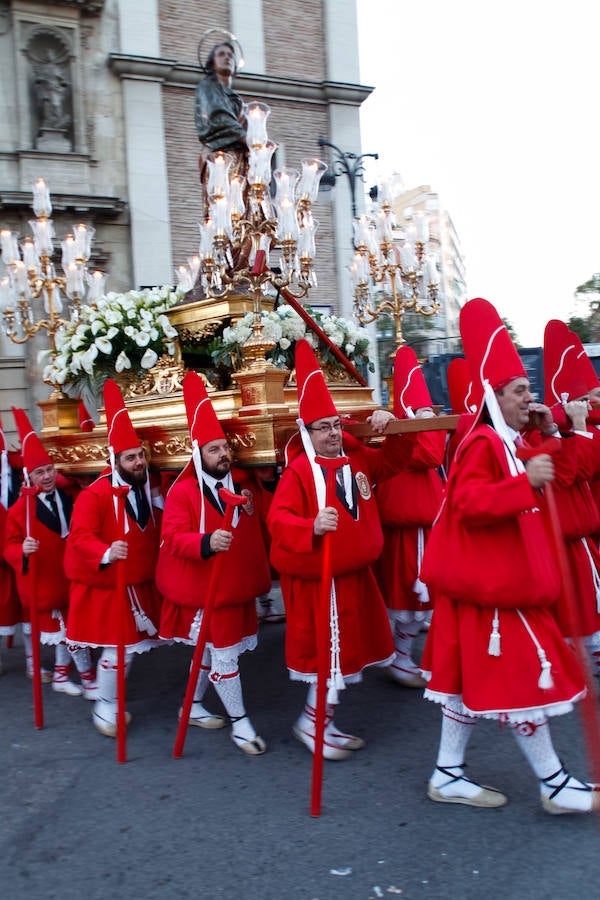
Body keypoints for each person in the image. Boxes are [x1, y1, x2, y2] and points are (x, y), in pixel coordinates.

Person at [420, 298, 597, 815]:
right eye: (519, 391)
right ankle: (555, 783)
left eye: (528, 389)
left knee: (460, 687)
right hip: (495, 591)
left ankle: (447, 772)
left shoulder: (507, 440)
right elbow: (470, 504)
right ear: (495, 397)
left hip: (494, 587)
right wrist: (526, 484)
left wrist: (546, 433)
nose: (529, 396)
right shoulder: (480, 443)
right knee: (522, 685)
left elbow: (562, 470)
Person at [268, 339, 416, 760]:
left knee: (345, 655)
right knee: (327, 656)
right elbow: (277, 521)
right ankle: (312, 724)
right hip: (323, 582)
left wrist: (393, 429)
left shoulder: (357, 461)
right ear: (308, 433)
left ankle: (322, 723)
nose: (333, 433)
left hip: (356, 578)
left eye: (336, 425)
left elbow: (394, 464)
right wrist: (310, 526)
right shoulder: (299, 472)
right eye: (324, 427)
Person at [156, 372, 270, 755]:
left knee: (208, 652)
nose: (222, 454)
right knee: (221, 653)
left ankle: (191, 706)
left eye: (225, 448)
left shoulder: (240, 485)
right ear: (198, 455)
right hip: (206, 590)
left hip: (234, 587)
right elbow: (173, 537)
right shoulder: (183, 492)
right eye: (213, 450)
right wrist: (205, 542)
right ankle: (240, 723)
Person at [64, 379, 163, 737]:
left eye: (140, 456)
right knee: (118, 650)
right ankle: (106, 703)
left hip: (140, 582)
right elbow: (79, 537)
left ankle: (108, 696)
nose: (138, 463)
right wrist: (106, 552)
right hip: (110, 584)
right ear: (115, 460)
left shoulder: (146, 487)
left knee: (129, 650)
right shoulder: (94, 494)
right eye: (130, 458)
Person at [4, 408, 96, 698]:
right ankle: (86, 679)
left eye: (49, 470)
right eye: (39, 472)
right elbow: (8, 546)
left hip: (70, 574)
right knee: (66, 634)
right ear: (28, 477)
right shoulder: (20, 510)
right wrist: (22, 549)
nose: (46, 476)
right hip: (45, 577)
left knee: (70, 632)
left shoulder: (70, 497)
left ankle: (63, 676)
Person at [374, 346, 445, 687]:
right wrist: (415, 419)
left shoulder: (411, 428)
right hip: (403, 526)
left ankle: (402, 654)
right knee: (408, 597)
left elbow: (432, 453)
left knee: (421, 598)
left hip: (423, 524)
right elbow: (429, 453)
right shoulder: (399, 430)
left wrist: (419, 419)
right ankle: (400, 657)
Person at [195, 40, 247, 195]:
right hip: (219, 157)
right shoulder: (207, 87)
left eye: (231, 55)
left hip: (240, 159)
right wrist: (248, 139)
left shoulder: (237, 100)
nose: (227, 58)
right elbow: (218, 117)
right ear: (212, 63)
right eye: (221, 54)